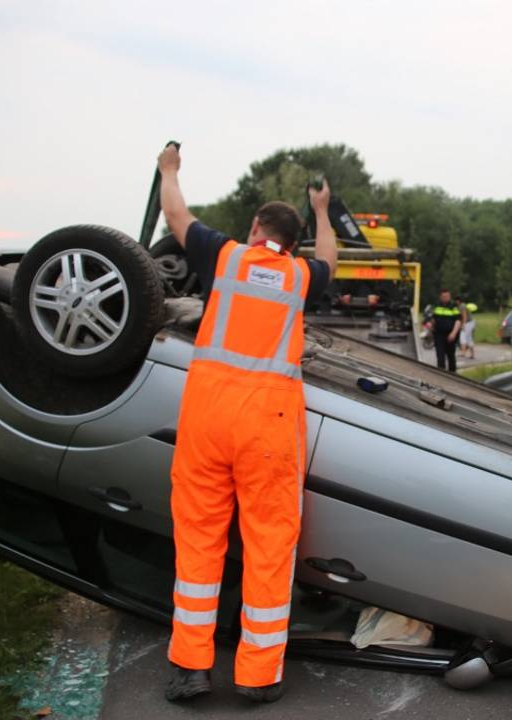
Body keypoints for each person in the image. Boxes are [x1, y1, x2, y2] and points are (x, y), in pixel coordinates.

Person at [156, 142, 337, 705]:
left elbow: (175, 215)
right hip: (269, 423)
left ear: (256, 228)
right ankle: (257, 676)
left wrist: (168, 170)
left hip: (209, 414)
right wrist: (323, 210)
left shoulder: (226, 257)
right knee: (269, 543)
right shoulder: (300, 277)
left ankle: (190, 668)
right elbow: (330, 260)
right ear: (292, 241)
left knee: (198, 540)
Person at [430, 289, 463, 372]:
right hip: (439, 334)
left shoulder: (453, 306)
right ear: (440, 297)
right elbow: (433, 318)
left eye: (447, 296)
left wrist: (453, 333)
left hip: (450, 334)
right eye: (444, 296)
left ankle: (452, 373)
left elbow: (458, 321)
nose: (446, 298)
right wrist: (431, 328)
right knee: (440, 355)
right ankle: (441, 373)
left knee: (451, 355)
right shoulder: (436, 306)